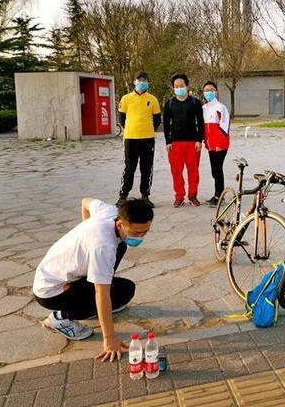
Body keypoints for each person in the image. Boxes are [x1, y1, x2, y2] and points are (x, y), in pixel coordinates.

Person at [33, 198, 153, 362]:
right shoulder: (103, 247)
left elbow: (84, 202)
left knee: (122, 251)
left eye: (145, 231)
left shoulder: (110, 212)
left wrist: (88, 231)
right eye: (136, 233)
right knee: (122, 292)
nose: (140, 237)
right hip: (51, 291)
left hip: (59, 276)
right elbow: (101, 293)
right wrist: (109, 338)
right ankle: (60, 318)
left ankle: (90, 303)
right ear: (120, 224)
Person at [117, 71, 161, 208]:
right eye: (139, 80)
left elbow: (157, 119)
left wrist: (147, 129)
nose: (142, 83)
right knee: (129, 168)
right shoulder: (126, 99)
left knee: (146, 168)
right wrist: (131, 129)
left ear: (148, 83)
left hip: (148, 139)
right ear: (134, 82)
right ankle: (123, 196)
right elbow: (122, 118)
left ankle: (145, 195)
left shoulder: (153, 99)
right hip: (131, 138)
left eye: (144, 80)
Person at [163, 73, 205, 207]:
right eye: (176, 86)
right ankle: (179, 196)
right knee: (176, 171)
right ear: (173, 88)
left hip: (192, 142)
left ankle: (192, 195)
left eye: (181, 85)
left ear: (186, 86)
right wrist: (168, 141)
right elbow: (165, 123)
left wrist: (199, 140)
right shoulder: (169, 104)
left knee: (193, 171)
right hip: (175, 143)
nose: (179, 88)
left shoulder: (195, 102)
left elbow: (201, 122)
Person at [202, 81, 230, 206]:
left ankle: (219, 196)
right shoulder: (203, 108)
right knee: (214, 170)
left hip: (220, 145)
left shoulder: (221, 107)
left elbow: (224, 126)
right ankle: (217, 194)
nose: (208, 92)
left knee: (218, 170)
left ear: (216, 92)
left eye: (211, 89)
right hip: (210, 145)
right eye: (206, 90)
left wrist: (220, 143)